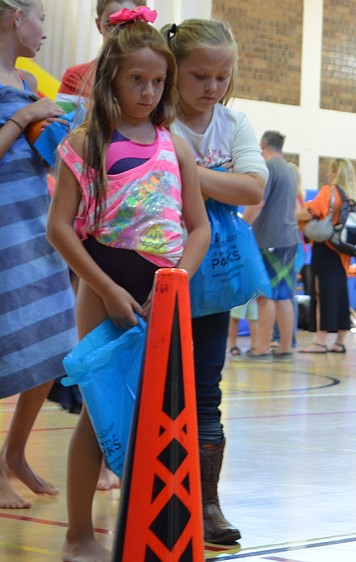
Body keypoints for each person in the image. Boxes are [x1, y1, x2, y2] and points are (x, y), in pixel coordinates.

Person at [46, 11, 209, 560]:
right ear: (112, 76)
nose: (148, 90)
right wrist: (107, 289)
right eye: (136, 79)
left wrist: (178, 277)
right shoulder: (87, 141)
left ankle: (144, 525)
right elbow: (59, 227)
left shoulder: (174, 144)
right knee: (99, 412)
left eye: (158, 81)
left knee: (158, 412)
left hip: (163, 292)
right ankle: (77, 534)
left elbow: (199, 225)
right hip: (105, 285)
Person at [164, 17, 267, 544]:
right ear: (172, 70)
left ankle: (206, 504)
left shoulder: (232, 124)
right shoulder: (154, 117)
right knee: (152, 391)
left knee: (206, 390)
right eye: (200, 75)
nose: (212, 88)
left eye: (222, 77)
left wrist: (182, 169)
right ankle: (153, 499)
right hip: (152, 261)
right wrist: (214, 182)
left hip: (214, 270)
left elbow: (252, 188)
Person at [0, 0, 77, 510]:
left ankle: (15, 453)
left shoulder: (30, 81)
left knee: (56, 335)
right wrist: (25, 117)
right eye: (40, 17)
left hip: (34, 220)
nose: (43, 29)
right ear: (12, 15)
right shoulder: (24, 96)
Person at [241, 130, 300, 360]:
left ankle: (262, 347)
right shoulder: (290, 170)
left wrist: (241, 228)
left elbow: (257, 202)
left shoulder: (268, 168)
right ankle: (285, 346)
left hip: (270, 239)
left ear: (262, 144)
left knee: (266, 295)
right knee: (284, 295)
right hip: (290, 239)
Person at [294, 158, 356, 354]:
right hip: (342, 251)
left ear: (333, 172)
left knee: (321, 294)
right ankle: (339, 341)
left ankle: (320, 341)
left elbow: (312, 211)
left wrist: (294, 213)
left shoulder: (329, 190)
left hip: (325, 247)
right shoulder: (351, 196)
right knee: (340, 294)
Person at [58, 0, 147, 99]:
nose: (120, 34)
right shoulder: (77, 78)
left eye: (129, 24)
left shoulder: (156, 75)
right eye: (112, 25)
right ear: (98, 25)